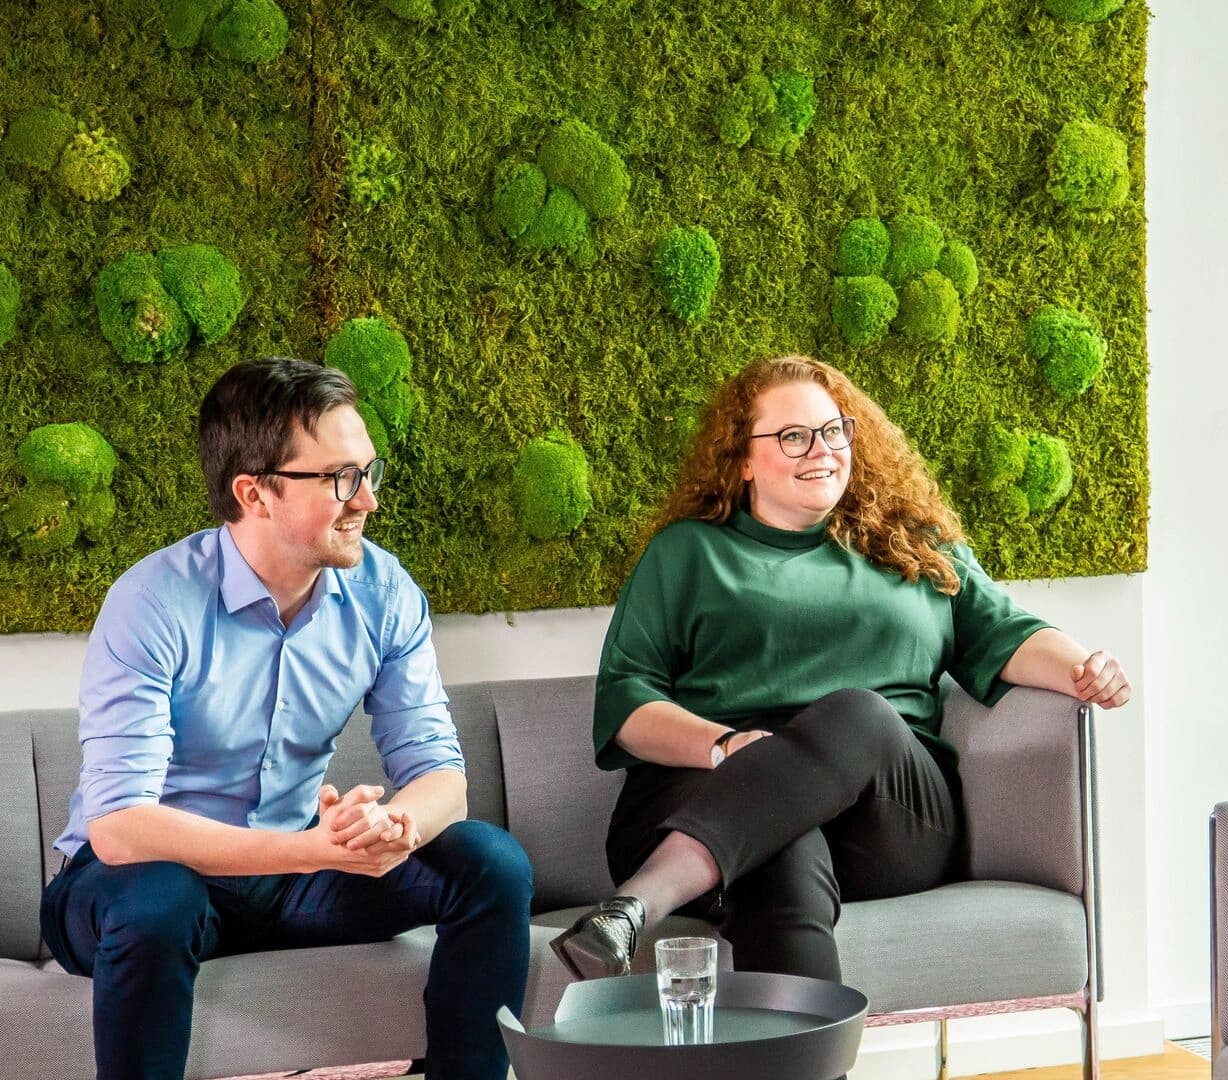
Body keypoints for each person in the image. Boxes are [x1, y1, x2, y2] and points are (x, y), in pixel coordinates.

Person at [551, 354, 1131, 981]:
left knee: (858, 714)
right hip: (709, 786)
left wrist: (1084, 669)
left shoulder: (912, 544)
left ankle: (637, 904)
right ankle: (806, 1040)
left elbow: (1006, 633)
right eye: (793, 436)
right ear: (742, 458)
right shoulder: (686, 553)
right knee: (780, 846)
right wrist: (725, 747)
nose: (821, 451)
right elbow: (626, 702)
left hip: (887, 813)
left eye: (833, 431)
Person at [40, 358, 534, 1080]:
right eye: (341, 478)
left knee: (492, 863)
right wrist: (312, 851)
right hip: (128, 885)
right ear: (255, 493)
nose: (368, 500)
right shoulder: (153, 603)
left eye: (369, 472)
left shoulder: (384, 593)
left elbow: (441, 776)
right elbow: (120, 828)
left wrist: (393, 827)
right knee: (162, 899)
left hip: (291, 879)